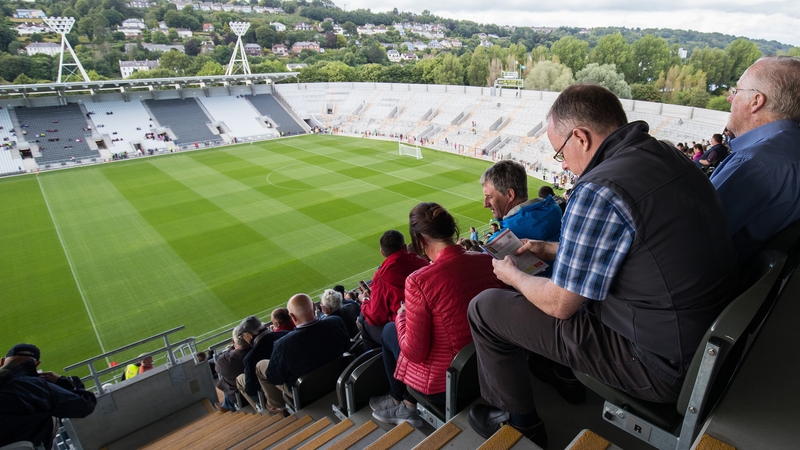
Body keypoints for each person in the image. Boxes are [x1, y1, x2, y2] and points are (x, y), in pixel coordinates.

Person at [466, 84, 738, 447]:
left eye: (560, 154)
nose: (563, 165)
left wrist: (514, 275)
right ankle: (553, 378)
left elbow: (561, 305)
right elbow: (630, 245)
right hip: (699, 339)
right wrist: (548, 248)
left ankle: (519, 424)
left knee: (485, 308)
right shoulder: (665, 155)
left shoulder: (598, 188)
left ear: (581, 137)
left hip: (657, 363)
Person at [371, 202, 507, 427]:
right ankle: (403, 403)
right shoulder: (487, 261)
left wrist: (402, 316)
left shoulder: (419, 281)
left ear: (421, 241)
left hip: (447, 385)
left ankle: (404, 405)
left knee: (388, 330)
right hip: (489, 370)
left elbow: (415, 353)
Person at [710, 56, 800, 263]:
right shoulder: (790, 150)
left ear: (757, 101)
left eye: (736, 92)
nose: (730, 99)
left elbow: (687, 234)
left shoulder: (753, 163)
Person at [256, 294, 350, 415]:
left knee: (260, 366)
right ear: (314, 307)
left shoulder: (283, 345)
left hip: (305, 392)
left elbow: (275, 378)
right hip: (338, 377)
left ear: (292, 316)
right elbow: (347, 347)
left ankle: (278, 407)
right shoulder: (335, 322)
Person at [0, 344, 97, 449]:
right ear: (36, 364)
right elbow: (85, 405)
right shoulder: (36, 387)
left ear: (2, 362)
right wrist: (64, 381)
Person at [357, 230, 428, 351]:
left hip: (406, 328)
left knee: (364, 322)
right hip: (426, 319)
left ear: (382, 252)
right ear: (405, 247)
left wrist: (365, 300)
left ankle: (379, 365)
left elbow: (375, 316)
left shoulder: (382, 275)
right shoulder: (421, 262)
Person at [481, 160, 562, 248]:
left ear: (510, 194)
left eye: (490, 196)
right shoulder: (555, 211)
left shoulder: (500, 241)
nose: (485, 204)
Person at [236, 316, 290, 411]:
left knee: (240, 380)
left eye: (243, 336)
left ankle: (271, 409)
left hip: (284, 393)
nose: (244, 339)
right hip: (296, 381)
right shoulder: (286, 334)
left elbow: (251, 389)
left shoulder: (251, 358)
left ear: (249, 334)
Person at [215, 326, 251, 412]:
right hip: (259, 386)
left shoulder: (228, 361)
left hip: (246, 394)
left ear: (233, 341)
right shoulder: (257, 347)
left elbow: (217, 369)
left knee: (226, 378)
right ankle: (227, 405)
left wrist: (231, 349)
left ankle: (229, 406)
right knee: (228, 376)